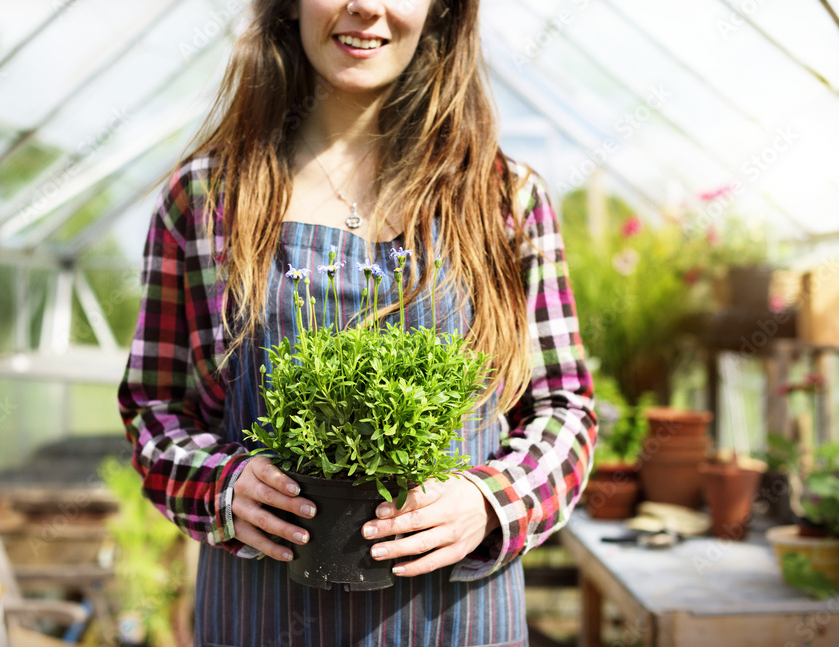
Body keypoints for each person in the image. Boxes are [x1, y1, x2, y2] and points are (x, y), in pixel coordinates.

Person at [118, 0, 596, 645]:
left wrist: (491, 502)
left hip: (455, 621)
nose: (366, 7)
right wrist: (221, 487)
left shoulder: (502, 198)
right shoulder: (207, 200)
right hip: (262, 618)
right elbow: (154, 404)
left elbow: (564, 405)